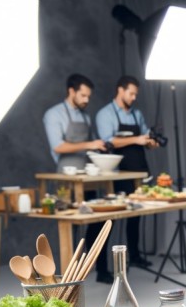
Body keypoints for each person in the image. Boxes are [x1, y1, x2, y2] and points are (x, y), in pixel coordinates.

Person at [43, 74, 112, 283]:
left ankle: (100, 268)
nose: (86, 100)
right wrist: (90, 144)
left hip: (87, 176)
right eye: (83, 95)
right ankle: (70, 277)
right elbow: (58, 146)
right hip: (66, 178)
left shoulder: (85, 116)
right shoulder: (53, 115)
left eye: (88, 96)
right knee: (70, 225)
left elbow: (89, 146)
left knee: (97, 220)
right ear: (71, 91)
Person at [95, 75, 159, 267]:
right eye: (131, 93)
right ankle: (102, 266)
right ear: (120, 90)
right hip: (117, 173)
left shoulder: (136, 114)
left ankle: (136, 257)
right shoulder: (105, 114)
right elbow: (108, 141)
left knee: (136, 215)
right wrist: (137, 139)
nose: (133, 98)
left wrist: (150, 142)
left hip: (139, 170)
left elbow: (145, 136)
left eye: (135, 94)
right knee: (110, 218)